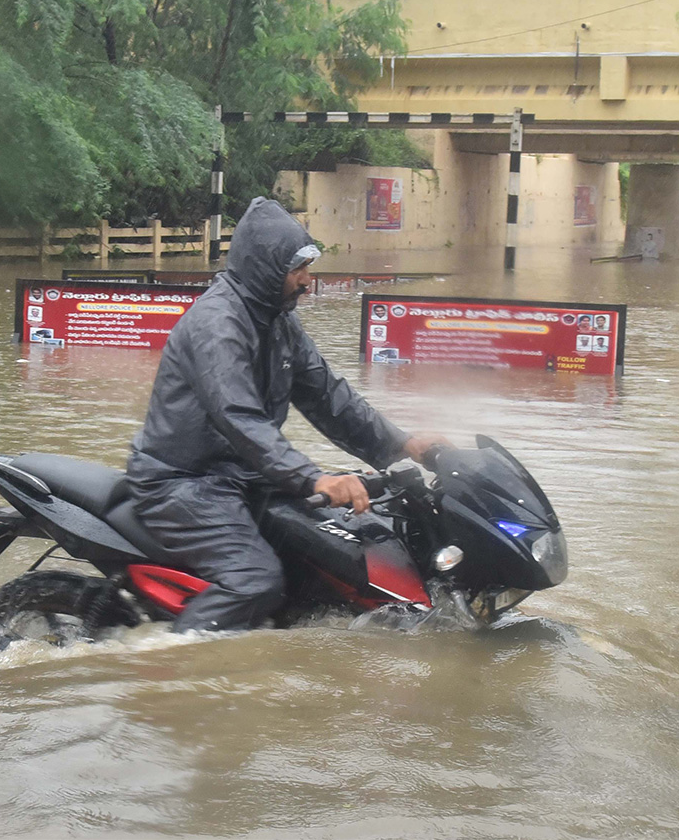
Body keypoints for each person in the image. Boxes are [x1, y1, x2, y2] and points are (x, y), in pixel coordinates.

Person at [127, 197, 445, 633]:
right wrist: (313, 478)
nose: (307, 281)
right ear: (265, 267)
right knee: (255, 580)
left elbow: (329, 395)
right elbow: (238, 418)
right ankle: (172, 676)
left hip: (248, 478)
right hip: (185, 483)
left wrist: (402, 443)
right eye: (298, 270)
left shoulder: (277, 320)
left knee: (334, 558)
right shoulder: (218, 325)